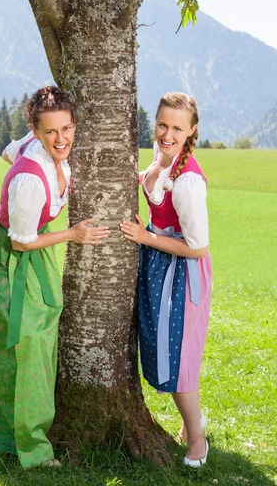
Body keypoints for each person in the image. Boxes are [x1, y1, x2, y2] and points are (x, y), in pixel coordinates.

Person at [0, 86, 109, 469]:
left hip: (26, 245)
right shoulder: (30, 180)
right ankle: (30, 447)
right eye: (51, 132)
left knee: (27, 338)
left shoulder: (36, 148)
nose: (62, 138)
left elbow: (8, 151)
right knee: (26, 343)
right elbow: (22, 242)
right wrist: (73, 234)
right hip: (6, 252)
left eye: (67, 128)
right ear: (36, 132)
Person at [120, 92, 212, 468]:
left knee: (178, 360)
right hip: (159, 264)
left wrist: (146, 237)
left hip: (183, 275)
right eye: (162, 125)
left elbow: (198, 248)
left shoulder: (187, 181)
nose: (167, 134)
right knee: (165, 354)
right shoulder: (161, 159)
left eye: (177, 127)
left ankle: (198, 438)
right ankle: (195, 423)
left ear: (191, 131)